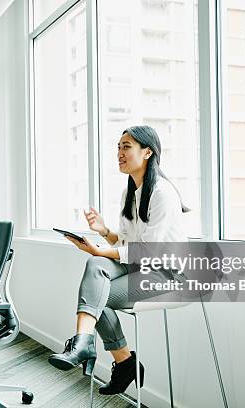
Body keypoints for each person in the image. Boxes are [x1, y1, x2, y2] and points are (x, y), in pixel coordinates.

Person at [48, 125, 188, 395]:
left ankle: (113, 357)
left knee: (96, 294)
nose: (119, 153)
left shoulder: (163, 193)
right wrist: (104, 232)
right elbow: (127, 244)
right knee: (95, 266)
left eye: (127, 147)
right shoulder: (129, 193)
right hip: (140, 266)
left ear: (147, 152)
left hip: (168, 275)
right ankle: (89, 344)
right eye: (118, 148)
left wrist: (101, 249)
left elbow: (149, 251)